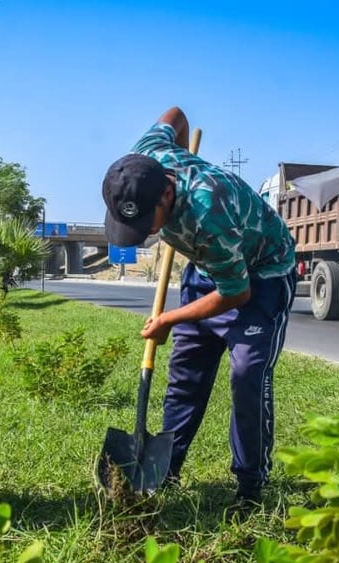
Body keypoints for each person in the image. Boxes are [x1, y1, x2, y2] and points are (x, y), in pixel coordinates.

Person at [101, 106, 297, 511]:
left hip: (259, 277)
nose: (144, 235)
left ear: (167, 195)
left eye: (147, 224)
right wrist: (182, 134)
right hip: (210, 268)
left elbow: (235, 293)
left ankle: (249, 486)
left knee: (247, 374)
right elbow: (175, 114)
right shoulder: (146, 158)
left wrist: (169, 319)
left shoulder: (211, 212)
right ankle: (165, 470)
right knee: (186, 375)